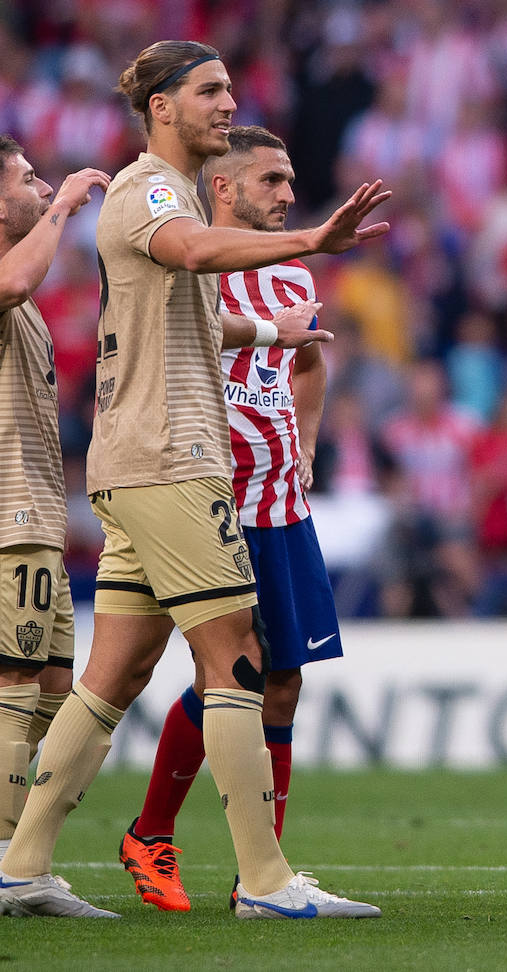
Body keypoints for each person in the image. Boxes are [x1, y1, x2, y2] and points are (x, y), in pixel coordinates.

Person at [0, 40, 387, 920]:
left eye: (229, 89)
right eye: (209, 90)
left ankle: (20, 866)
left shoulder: (160, 192)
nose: (227, 103)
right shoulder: (151, 190)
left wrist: (272, 336)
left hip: (137, 463)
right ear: (162, 107)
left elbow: (189, 317)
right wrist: (311, 239)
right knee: (236, 661)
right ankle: (266, 883)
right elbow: (191, 250)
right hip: (173, 458)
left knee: (114, 678)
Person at [117, 125, 346, 912]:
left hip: (282, 504)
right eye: (272, 180)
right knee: (228, 675)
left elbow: (309, 360)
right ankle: (156, 836)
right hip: (210, 501)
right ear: (223, 187)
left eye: (290, 179)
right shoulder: (191, 269)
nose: (288, 194)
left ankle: (262, 874)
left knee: (282, 682)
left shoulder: (290, 274)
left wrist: (305, 443)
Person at [0, 138, 109, 862]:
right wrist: (66, 206)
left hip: (38, 512)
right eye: (28, 179)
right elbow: (12, 282)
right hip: (8, 513)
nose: (44, 188)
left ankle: (17, 855)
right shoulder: (14, 281)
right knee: (15, 676)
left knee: (52, 685)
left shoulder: (27, 291)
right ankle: (7, 859)